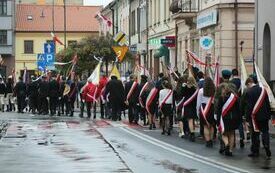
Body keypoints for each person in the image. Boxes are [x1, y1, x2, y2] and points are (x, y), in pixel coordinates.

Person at [245, 77, 271, 159]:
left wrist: (247, 118)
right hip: (264, 115)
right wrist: (269, 114)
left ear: (249, 83)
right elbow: (267, 103)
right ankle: (266, 145)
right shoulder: (263, 90)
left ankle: (255, 151)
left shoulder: (249, 92)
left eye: (247, 86)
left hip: (254, 117)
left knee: (255, 134)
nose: (247, 87)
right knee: (265, 132)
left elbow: (249, 107)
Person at [217, 84, 241, 156]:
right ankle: (230, 151)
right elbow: (238, 109)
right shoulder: (235, 97)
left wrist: (218, 121)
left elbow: (219, 110)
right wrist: (239, 119)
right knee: (231, 134)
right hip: (234, 118)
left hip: (225, 118)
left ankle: (226, 144)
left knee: (223, 133)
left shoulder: (221, 98)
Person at [197, 77, 216, 147]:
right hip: (211, 107)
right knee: (211, 125)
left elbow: (198, 102)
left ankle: (208, 141)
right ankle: (211, 139)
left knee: (205, 126)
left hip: (203, 109)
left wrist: (197, 111)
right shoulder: (214, 90)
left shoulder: (201, 91)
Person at [230, 69, 245, 148]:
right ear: (237, 74)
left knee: (232, 120)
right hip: (239, 102)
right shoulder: (242, 82)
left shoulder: (230, 82)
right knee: (239, 121)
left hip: (231, 102)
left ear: (232, 74)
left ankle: (233, 140)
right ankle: (242, 137)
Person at [182, 76, 198, 142]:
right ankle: (192, 130)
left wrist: (183, 87)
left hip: (187, 104)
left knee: (190, 120)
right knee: (192, 119)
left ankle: (192, 133)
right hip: (193, 104)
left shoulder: (185, 87)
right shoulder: (195, 88)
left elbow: (183, 94)